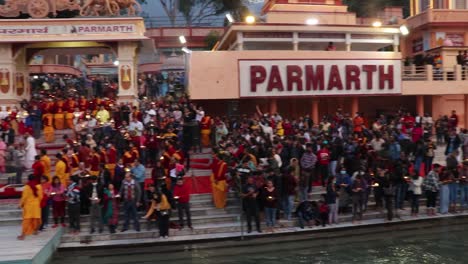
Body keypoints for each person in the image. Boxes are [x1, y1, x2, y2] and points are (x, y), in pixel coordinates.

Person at [18, 174, 43, 240]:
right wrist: (38, 202)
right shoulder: (39, 186)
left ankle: (23, 235)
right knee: (37, 219)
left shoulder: (27, 187)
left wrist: (20, 205)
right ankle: (36, 231)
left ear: (28, 179)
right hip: (36, 206)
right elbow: (41, 197)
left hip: (28, 206)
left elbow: (24, 197)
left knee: (26, 221)